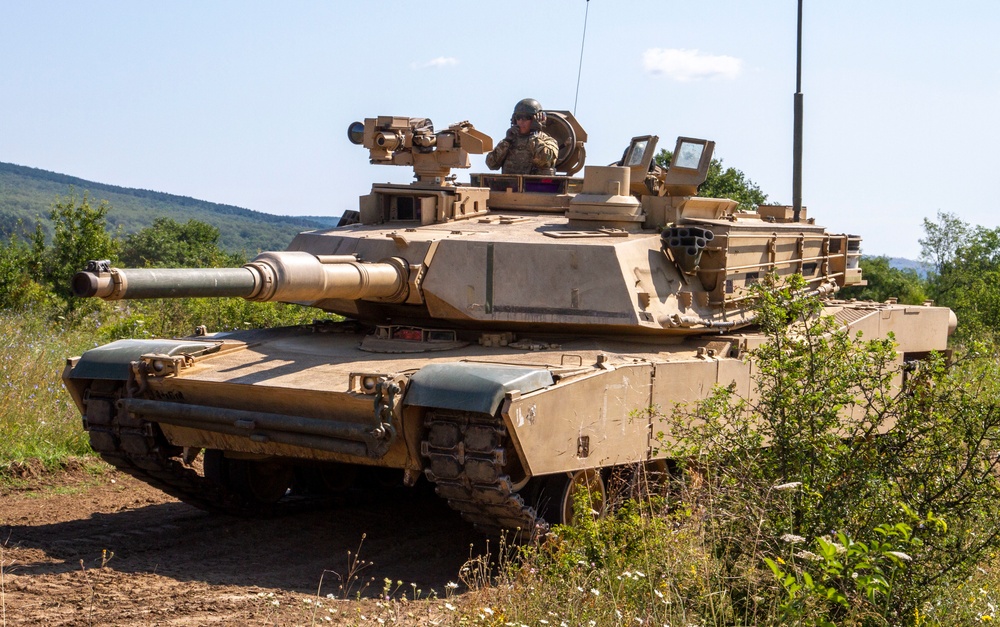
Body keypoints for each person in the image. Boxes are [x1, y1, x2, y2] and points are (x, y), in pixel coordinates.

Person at [485, 98, 559, 175]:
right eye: (518, 117)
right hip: (508, 186)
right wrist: (507, 141)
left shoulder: (548, 141)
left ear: (537, 119)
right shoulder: (510, 141)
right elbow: (491, 164)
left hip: (534, 186)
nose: (521, 121)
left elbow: (544, 159)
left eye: (526, 117)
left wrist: (534, 135)